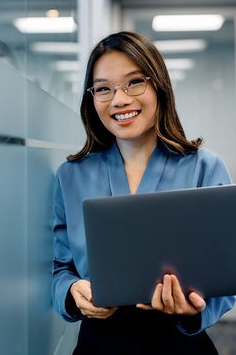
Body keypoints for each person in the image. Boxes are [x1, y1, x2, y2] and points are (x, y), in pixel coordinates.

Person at [51, 31, 236, 354]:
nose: (119, 100)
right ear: (91, 98)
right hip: (100, 343)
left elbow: (228, 271)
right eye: (103, 89)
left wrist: (194, 310)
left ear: (159, 86)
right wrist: (71, 290)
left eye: (134, 82)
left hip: (180, 343)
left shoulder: (204, 167)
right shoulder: (70, 176)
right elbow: (57, 267)